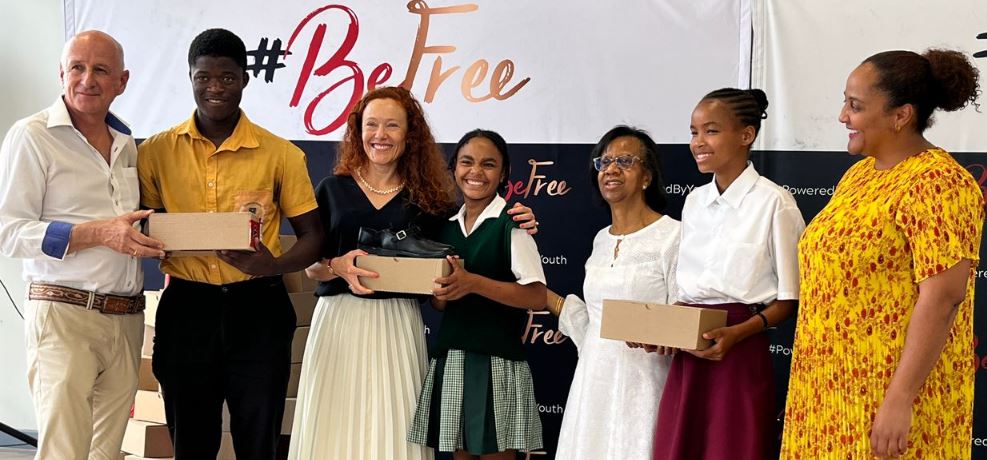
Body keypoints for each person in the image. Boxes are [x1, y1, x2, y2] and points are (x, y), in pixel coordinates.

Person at [288, 87, 538, 460]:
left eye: (392, 125)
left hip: (397, 324)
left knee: (394, 427)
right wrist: (336, 266)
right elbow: (310, 267)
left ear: (410, 134)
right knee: (333, 424)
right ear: (358, 130)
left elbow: (464, 239)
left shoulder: (429, 199)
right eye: (371, 124)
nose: (380, 135)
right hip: (338, 322)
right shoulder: (331, 190)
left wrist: (522, 218)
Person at [781, 49, 983, 459]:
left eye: (855, 106)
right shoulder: (858, 175)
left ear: (901, 115)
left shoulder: (940, 182)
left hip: (888, 398)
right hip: (826, 391)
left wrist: (900, 398)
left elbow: (943, 298)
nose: (842, 116)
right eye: (845, 102)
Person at [137, 28, 323, 459]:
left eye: (227, 77)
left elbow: (314, 237)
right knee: (190, 440)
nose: (215, 88)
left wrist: (272, 265)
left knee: (258, 440)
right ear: (190, 77)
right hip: (187, 308)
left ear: (245, 79)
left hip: (259, 308)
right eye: (204, 77)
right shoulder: (155, 152)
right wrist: (153, 240)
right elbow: (143, 225)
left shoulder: (280, 154)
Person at [0, 30, 166, 459]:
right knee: (64, 452)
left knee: (106, 453)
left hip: (127, 319)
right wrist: (98, 233)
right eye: (77, 67)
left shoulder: (128, 144)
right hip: (64, 316)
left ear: (122, 82)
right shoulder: (32, 135)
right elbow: (9, 231)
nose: (87, 79)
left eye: (101, 70)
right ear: (61, 74)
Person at [652, 88, 805, 460]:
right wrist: (661, 330)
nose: (698, 142)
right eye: (694, 132)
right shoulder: (693, 202)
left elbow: (791, 299)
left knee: (732, 447)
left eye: (711, 131)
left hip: (739, 351)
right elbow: (689, 290)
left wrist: (737, 333)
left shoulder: (774, 202)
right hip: (689, 350)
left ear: (746, 135)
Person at [407, 129, 547, 459]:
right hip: (453, 358)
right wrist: (445, 291)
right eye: (467, 162)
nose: (476, 172)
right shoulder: (445, 227)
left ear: (504, 173)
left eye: (488, 164)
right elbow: (440, 304)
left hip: (497, 360)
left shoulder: (512, 225)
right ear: (454, 167)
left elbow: (537, 296)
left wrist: (473, 283)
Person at [549, 126, 679, 460]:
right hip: (593, 381)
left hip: (646, 385)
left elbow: (683, 319)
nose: (611, 169)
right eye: (604, 162)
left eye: (625, 161)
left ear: (647, 176)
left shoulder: (673, 236)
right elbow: (594, 322)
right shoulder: (600, 240)